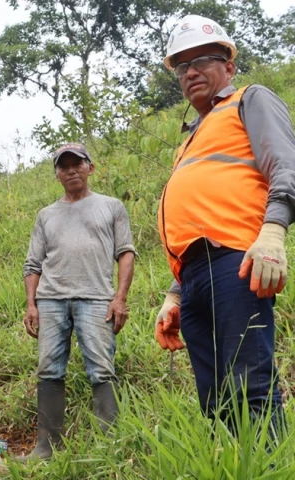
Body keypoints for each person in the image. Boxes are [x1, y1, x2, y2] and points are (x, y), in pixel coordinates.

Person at [155, 14, 295, 439]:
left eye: (203, 60)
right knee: (216, 399)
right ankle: (238, 467)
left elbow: (286, 167)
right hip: (195, 276)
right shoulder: (190, 138)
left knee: (249, 386)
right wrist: (175, 292)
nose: (191, 71)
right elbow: (198, 212)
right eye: (182, 66)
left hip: (237, 260)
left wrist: (273, 233)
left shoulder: (250, 100)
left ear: (229, 66)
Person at [22, 143, 136, 459]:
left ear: (90, 167)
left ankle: (109, 450)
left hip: (97, 299)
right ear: (57, 174)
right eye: (64, 166)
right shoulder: (46, 215)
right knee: (48, 371)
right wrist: (31, 304)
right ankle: (46, 448)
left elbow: (125, 252)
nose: (71, 170)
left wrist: (120, 298)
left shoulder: (111, 206)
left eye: (78, 163)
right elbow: (33, 264)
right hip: (50, 301)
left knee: (101, 369)